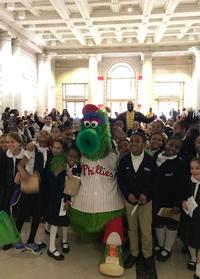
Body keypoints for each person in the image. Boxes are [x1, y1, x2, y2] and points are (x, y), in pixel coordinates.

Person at [118, 131, 157, 271]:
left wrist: (146, 194)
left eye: (137, 141)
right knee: (132, 229)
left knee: (146, 231)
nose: (133, 143)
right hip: (130, 202)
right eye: (132, 140)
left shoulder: (150, 161)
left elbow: (155, 181)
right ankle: (134, 253)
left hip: (146, 202)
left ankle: (147, 256)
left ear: (144, 144)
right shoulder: (124, 161)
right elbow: (120, 180)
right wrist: (128, 195)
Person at [46, 142, 81, 261]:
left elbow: (76, 186)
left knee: (65, 220)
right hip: (57, 198)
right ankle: (51, 247)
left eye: (75, 157)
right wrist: (61, 173)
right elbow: (53, 182)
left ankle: (64, 240)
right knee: (55, 221)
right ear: (66, 155)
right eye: (70, 156)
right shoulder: (60, 165)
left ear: (79, 158)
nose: (72, 159)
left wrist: (68, 200)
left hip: (69, 199)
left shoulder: (79, 168)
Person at [154, 136, 187, 262]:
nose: (172, 148)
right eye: (170, 145)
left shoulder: (180, 163)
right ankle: (161, 245)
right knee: (159, 222)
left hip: (172, 201)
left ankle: (167, 248)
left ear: (179, 150)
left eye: (176, 147)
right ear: (166, 143)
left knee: (171, 224)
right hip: (157, 199)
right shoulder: (157, 156)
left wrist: (177, 204)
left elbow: (182, 185)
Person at [178, 158, 200, 278]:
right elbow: (183, 193)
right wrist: (183, 202)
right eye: (192, 168)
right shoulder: (189, 180)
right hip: (189, 215)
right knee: (190, 237)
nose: (194, 171)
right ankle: (192, 257)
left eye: (197, 168)